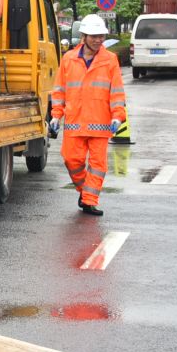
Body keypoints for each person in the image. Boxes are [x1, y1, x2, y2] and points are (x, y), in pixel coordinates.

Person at [49, 14, 126, 217]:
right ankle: (84, 192)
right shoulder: (68, 60)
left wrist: (118, 116)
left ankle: (90, 201)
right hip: (75, 122)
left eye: (101, 36)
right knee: (70, 160)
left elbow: (116, 91)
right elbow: (59, 90)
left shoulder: (110, 60)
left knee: (98, 165)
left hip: (101, 123)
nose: (98, 40)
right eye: (94, 36)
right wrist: (56, 115)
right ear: (84, 36)